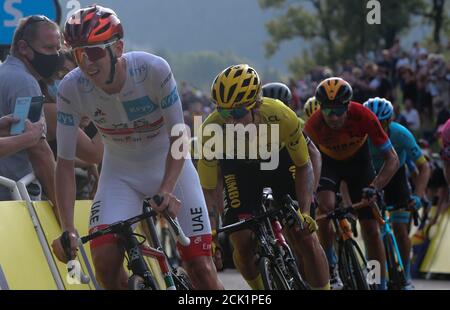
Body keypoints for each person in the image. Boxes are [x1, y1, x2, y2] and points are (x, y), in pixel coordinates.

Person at [51, 5, 223, 290]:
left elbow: (179, 136)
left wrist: (167, 188)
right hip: (120, 175)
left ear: (118, 48)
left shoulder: (152, 70)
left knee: (200, 268)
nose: (86, 63)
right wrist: (67, 227)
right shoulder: (71, 88)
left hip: (171, 169)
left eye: (93, 52)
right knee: (104, 264)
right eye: (78, 54)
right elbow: (65, 162)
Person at [198, 64, 330, 290]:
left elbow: (303, 164)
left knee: (304, 236)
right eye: (224, 112)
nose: (231, 121)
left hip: (279, 162)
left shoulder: (280, 114)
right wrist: (211, 231)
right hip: (239, 169)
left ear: (256, 105)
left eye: (237, 113)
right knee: (241, 242)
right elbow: (210, 187)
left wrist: (306, 211)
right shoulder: (212, 129)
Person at [304, 77, 399, 290]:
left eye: (338, 111)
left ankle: (377, 282)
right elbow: (304, 163)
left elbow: (392, 159)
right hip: (328, 164)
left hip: (359, 164)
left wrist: (375, 187)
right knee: (325, 209)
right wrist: (308, 195)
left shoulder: (363, 116)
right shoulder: (314, 124)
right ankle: (331, 268)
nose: (333, 117)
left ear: (348, 107)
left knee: (371, 230)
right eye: (327, 111)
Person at [364, 97, 430, 288]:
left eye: (382, 123)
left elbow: (424, 168)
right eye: (373, 123)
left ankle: (406, 277)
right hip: (369, 178)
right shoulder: (359, 136)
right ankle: (375, 279)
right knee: (371, 233)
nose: (377, 128)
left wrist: (417, 196)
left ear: (390, 121)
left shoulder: (401, 134)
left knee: (401, 231)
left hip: (396, 178)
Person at [0, 15, 60, 208]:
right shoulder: (25, 83)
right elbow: (39, 151)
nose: (55, 56)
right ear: (24, 48)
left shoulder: (5, 73)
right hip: (15, 201)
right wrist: (64, 214)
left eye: (58, 49)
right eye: (48, 48)